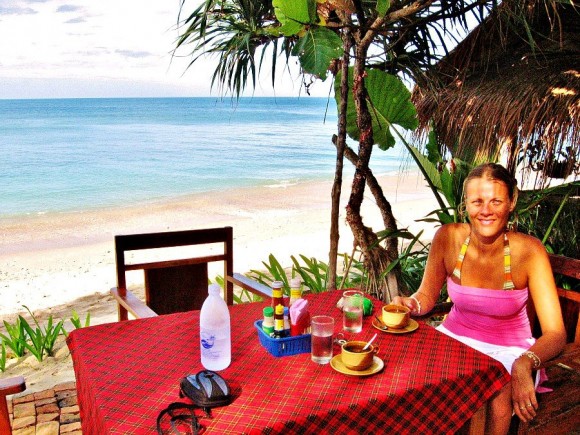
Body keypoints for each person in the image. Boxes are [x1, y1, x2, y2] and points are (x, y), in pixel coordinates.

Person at [392, 163, 566, 434]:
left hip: (508, 350)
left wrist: (524, 363)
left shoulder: (529, 251)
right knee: (407, 380)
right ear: (465, 205)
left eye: (496, 200)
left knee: (495, 394)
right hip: (455, 341)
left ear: (511, 202)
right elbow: (425, 295)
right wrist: (410, 304)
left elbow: (555, 332)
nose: (486, 210)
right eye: (477, 201)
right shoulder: (448, 238)